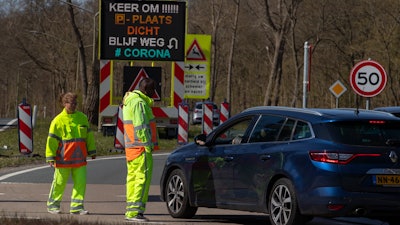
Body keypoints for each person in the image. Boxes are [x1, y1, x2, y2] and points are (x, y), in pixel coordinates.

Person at [46, 92, 96, 215]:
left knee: (80, 183)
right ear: (64, 104)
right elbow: (51, 140)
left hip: (79, 159)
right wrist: (50, 157)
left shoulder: (82, 118)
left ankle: (77, 207)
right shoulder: (57, 120)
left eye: (75, 103)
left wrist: (92, 150)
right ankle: (53, 205)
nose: (73, 105)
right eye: (70, 103)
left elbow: (89, 136)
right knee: (59, 183)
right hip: (63, 159)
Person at [122, 78, 159, 222]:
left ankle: (131, 211)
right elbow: (141, 126)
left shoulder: (131, 101)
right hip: (141, 148)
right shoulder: (139, 103)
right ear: (146, 89)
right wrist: (147, 144)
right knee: (141, 180)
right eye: (152, 90)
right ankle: (136, 212)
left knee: (132, 179)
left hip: (132, 148)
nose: (154, 93)